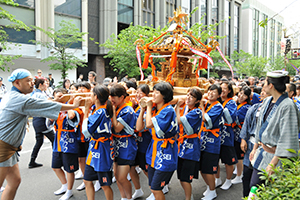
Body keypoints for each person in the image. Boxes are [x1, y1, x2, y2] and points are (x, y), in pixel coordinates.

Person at [0, 68, 82, 200]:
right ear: (17, 83)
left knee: (14, 181)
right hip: (3, 147)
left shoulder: (13, 95)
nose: (32, 83)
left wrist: (56, 100)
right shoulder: (19, 99)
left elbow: (41, 105)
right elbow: (42, 105)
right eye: (28, 81)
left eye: (32, 80)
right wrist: (73, 106)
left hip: (10, 148)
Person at [249, 71, 300, 189]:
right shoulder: (267, 101)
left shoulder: (288, 106)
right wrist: (255, 147)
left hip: (277, 158)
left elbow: (287, 137)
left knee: (269, 190)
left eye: (265, 82)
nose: (263, 85)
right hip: (262, 153)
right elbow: (259, 126)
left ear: (271, 85)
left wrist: (273, 163)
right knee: (254, 187)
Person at [140, 82, 178, 200]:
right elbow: (139, 128)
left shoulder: (168, 110)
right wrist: (142, 109)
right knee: (153, 187)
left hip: (165, 152)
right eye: (153, 92)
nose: (153, 95)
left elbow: (149, 124)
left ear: (164, 95)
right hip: (154, 151)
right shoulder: (157, 109)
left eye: (157, 92)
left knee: (156, 188)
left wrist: (149, 107)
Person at [82, 85, 114, 200]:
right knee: (87, 180)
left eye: (91, 94)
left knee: (105, 184)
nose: (89, 96)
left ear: (96, 97)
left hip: (101, 150)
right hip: (95, 148)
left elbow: (86, 131)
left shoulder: (100, 111)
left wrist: (86, 111)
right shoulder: (101, 110)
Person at [50, 89, 82, 200]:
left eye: (62, 96)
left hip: (69, 141)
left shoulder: (73, 107)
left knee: (69, 169)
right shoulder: (56, 109)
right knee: (55, 166)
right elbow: (49, 118)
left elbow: (72, 115)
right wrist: (55, 102)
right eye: (57, 96)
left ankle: (69, 190)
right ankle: (64, 185)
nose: (60, 98)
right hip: (58, 142)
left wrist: (68, 103)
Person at [240, 87, 270, 197]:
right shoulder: (254, 108)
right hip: (251, 144)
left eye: (265, 91)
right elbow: (246, 124)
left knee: (259, 179)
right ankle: (245, 196)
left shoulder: (276, 110)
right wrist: (243, 139)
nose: (262, 93)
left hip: (266, 148)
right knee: (246, 175)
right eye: (262, 91)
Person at [175, 87, 202, 200]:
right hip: (182, 146)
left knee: (186, 178)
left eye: (192, 96)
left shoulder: (197, 111)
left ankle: (188, 198)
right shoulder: (186, 108)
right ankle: (188, 196)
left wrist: (176, 106)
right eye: (188, 95)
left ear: (197, 101)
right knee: (181, 177)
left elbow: (179, 120)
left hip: (191, 148)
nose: (188, 98)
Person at [110, 83, 137, 200]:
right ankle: (123, 197)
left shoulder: (128, 110)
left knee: (121, 177)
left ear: (121, 97)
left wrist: (112, 112)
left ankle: (129, 197)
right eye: (110, 96)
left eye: (114, 97)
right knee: (116, 175)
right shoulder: (117, 108)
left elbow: (117, 127)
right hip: (116, 145)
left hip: (126, 146)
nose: (111, 99)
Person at [199, 84, 223, 200]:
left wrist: (201, 107)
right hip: (203, 139)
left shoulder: (218, 106)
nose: (210, 93)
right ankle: (209, 187)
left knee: (208, 169)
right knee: (202, 168)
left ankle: (213, 191)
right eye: (209, 91)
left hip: (212, 142)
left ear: (219, 95)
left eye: (213, 92)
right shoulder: (207, 103)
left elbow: (206, 119)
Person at [130, 84, 152, 199]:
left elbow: (142, 127)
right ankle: (138, 190)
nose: (137, 95)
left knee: (145, 168)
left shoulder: (149, 108)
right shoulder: (134, 105)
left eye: (140, 93)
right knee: (131, 167)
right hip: (135, 142)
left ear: (147, 95)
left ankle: (155, 189)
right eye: (137, 92)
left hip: (144, 142)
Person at [215, 81, 238, 191]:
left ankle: (228, 180)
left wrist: (220, 109)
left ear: (229, 91)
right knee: (215, 159)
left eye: (225, 88)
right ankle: (217, 178)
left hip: (226, 136)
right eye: (221, 88)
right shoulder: (216, 101)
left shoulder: (231, 103)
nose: (222, 90)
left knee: (228, 160)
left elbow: (230, 119)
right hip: (214, 136)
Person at [28, 78, 55, 168]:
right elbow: (46, 107)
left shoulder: (35, 94)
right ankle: (56, 161)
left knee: (39, 141)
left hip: (36, 120)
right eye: (45, 83)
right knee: (54, 140)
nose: (47, 85)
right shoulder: (41, 95)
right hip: (42, 120)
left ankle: (32, 161)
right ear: (40, 85)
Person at [232, 86, 252, 185]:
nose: (241, 96)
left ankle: (239, 175)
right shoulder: (237, 104)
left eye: (244, 95)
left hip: (241, 134)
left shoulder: (246, 107)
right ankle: (238, 170)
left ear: (247, 97)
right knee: (236, 153)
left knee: (240, 156)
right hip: (236, 133)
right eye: (240, 93)